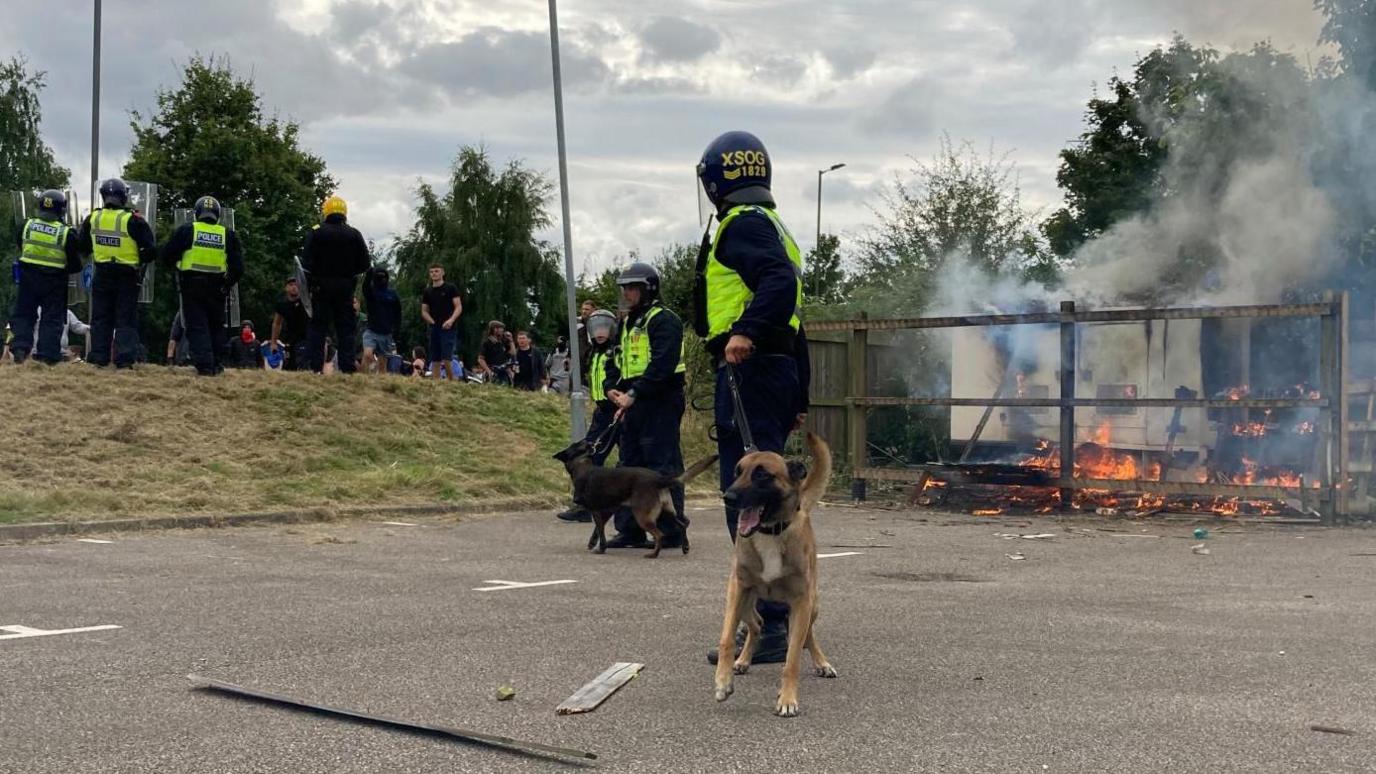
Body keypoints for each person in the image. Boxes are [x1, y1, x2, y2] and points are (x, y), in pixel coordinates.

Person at [694, 130, 813, 667]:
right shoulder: (772, 225)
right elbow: (796, 319)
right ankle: (774, 620)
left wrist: (743, 330)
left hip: (749, 367)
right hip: (777, 369)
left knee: (746, 490)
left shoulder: (740, 226)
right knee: (766, 489)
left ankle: (767, 626)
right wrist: (801, 390)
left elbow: (776, 286)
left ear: (716, 180)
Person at [604, 262, 688, 549]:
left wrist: (636, 392)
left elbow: (663, 363)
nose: (626, 293)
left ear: (647, 289)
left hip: (660, 402)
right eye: (624, 288)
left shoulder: (664, 320)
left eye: (631, 288)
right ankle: (630, 529)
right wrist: (612, 389)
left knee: (661, 467)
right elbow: (616, 360)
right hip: (633, 403)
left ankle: (670, 530)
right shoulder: (627, 323)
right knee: (628, 467)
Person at [160, 196, 244, 376]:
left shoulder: (187, 230)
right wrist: (227, 284)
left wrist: (178, 267)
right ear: (218, 214)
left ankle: (205, 367)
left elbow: (167, 255)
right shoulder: (227, 234)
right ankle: (217, 364)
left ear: (197, 213)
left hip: (191, 286)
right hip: (217, 287)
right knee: (216, 326)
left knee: (197, 326)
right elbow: (238, 267)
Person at [79, 178, 157, 369]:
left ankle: (98, 358)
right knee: (125, 319)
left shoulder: (93, 219)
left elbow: (83, 248)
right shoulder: (133, 220)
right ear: (123, 197)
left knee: (100, 317)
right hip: (127, 275)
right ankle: (124, 360)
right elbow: (151, 249)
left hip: (102, 272)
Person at [557, 309, 622, 523]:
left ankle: (624, 504)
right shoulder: (594, 353)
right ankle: (584, 505)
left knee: (628, 457)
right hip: (601, 411)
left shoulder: (616, 351)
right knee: (589, 457)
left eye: (604, 327)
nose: (600, 332)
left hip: (618, 410)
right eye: (596, 328)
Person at [9, 189, 82, 364]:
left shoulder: (26, 226)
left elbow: (22, 246)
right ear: (61, 210)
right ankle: (48, 357)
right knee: (51, 319)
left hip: (28, 277)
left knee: (24, 315)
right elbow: (75, 265)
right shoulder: (66, 233)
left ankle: (20, 350)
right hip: (54, 281)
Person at [301, 195, 369, 373]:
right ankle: (347, 368)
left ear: (326, 212)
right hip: (345, 287)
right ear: (344, 213)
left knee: (318, 328)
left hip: (320, 287)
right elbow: (365, 264)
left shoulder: (316, 232)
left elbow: (306, 263)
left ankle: (315, 367)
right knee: (346, 329)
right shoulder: (354, 234)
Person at [420, 264, 462, 381]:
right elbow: (424, 310)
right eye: (432, 272)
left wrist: (451, 320)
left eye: (436, 271)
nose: (434, 274)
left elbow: (458, 307)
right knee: (435, 357)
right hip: (434, 327)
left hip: (448, 327)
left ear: (442, 273)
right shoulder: (428, 291)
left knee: (447, 356)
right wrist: (431, 321)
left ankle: (450, 380)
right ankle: (437, 382)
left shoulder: (450, 288)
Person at [360, 266, 401, 374]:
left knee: (383, 363)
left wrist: (396, 330)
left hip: (386, 333)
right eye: (378, 277)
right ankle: (363, 378)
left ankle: (381, 383)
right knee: (367, 354)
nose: (381, 279)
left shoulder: (392, 294)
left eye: (383, 277)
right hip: (371, 330)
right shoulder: (371, 292)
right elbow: (365, 287)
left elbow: (398, 313)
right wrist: (368, 274)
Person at [270, 277, 309, 370]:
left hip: (305, 338)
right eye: (291, 285)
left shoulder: (306, 301)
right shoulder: (282, 304)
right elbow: (277, 323)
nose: (294, 287)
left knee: (302, 365)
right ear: (286, 288)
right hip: (290, 339)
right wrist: (273, 342)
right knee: (288, 366)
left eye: (296, 285)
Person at [478, 320, 515, 385]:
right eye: (501, 328)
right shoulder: (487, 342)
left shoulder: (501, 342)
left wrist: (511, 341)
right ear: (495, 329)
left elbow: (513, 353)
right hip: (492, 370)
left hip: (503, 371)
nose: (503, 330)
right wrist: (488, 371)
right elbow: (481, 359)